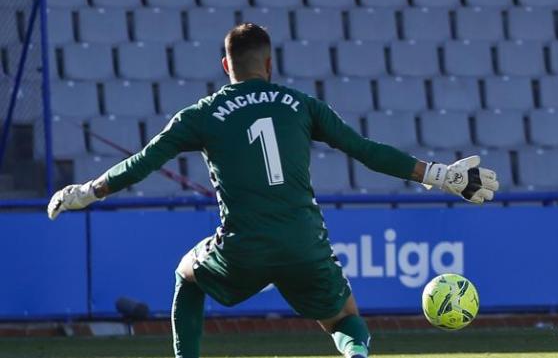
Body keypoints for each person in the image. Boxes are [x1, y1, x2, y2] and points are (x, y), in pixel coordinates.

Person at [46, 23, 499, 358]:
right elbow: (366, 151)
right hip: (303, 238)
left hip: (244, 244)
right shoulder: (300, 104)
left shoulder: (200, 115)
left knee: (187, 275)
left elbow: (142, 163)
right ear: (269, 64)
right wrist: (441, 175)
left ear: (226, 66)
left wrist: (87, 192)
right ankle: (357, 355)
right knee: (344, 319)